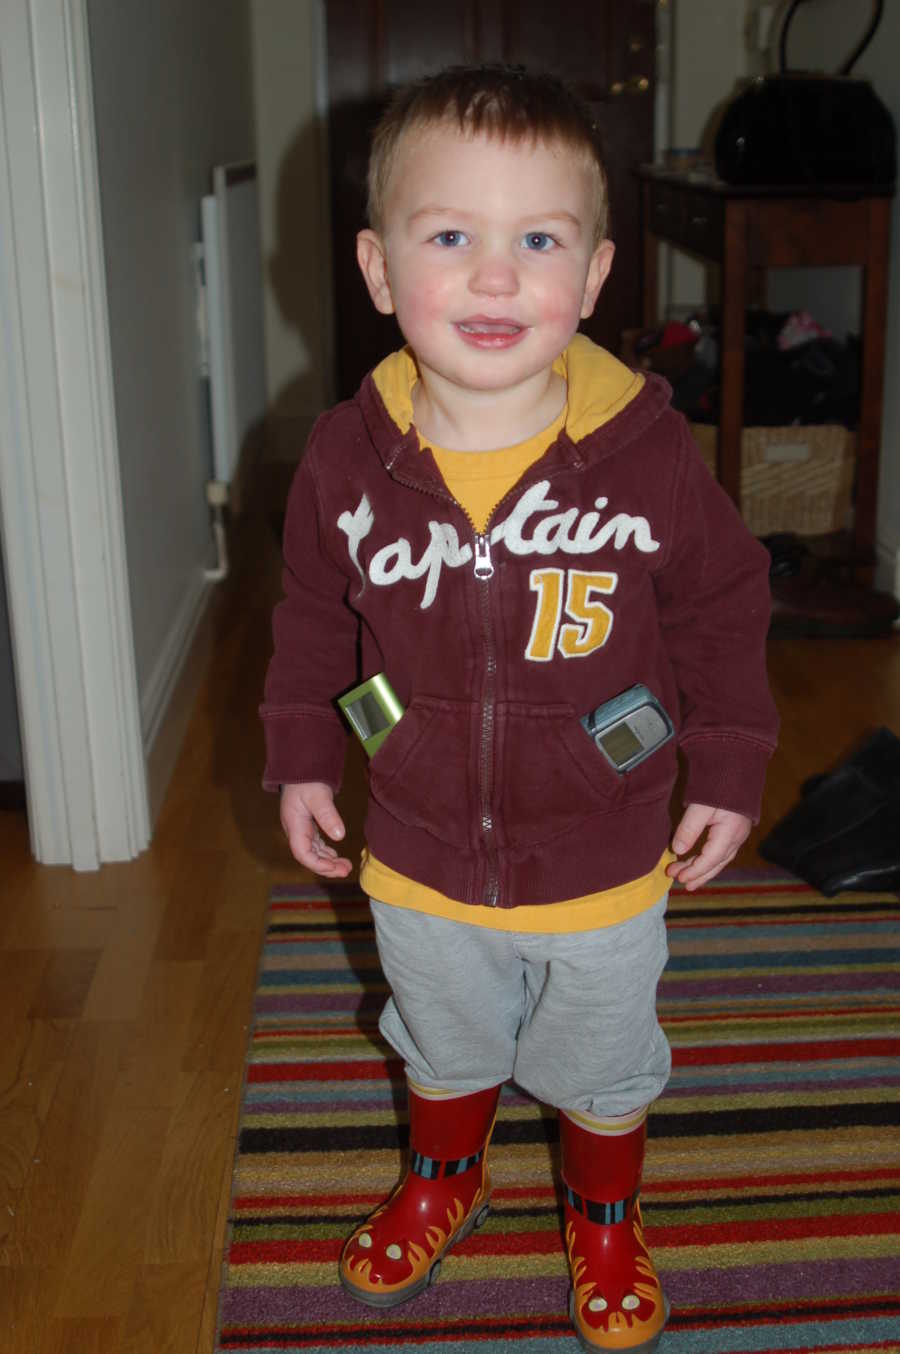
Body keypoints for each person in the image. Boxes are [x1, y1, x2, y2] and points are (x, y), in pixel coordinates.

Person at [261, 64, 778, 1354]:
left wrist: (726, 761)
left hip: (606, 842)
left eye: (537, 240)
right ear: (381, 271)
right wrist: (301, 755)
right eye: (454, 238)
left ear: (595, 277)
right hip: (421, 836)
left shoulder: (647, 450)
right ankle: (447, 1172)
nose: (497, 279)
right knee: (439, 1026)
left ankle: (603, 1211)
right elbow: (314, 617)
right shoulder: (345, 454)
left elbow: (722, 602)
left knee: (602, 1050)